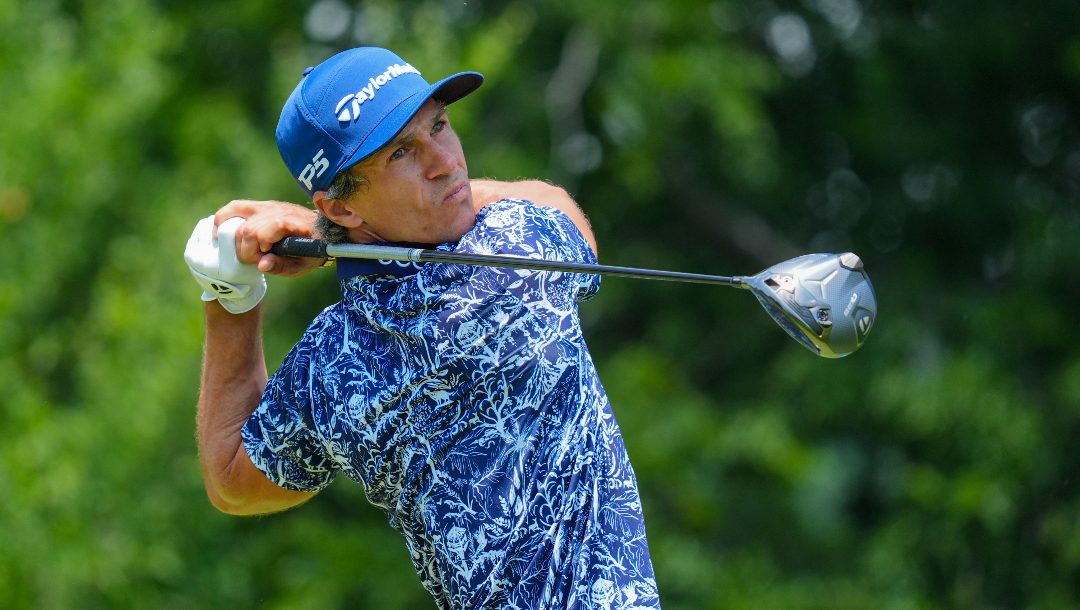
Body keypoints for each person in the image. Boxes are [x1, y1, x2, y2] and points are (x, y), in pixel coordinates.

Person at [184, 46, 660, 610]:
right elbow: (557, 203)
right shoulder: (518, 249)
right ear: (342, 208)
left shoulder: (335, 364)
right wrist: (341, 234)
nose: (445, 162)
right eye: (403, 153)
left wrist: (231, 294)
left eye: (439, 125)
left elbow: (232, 482)